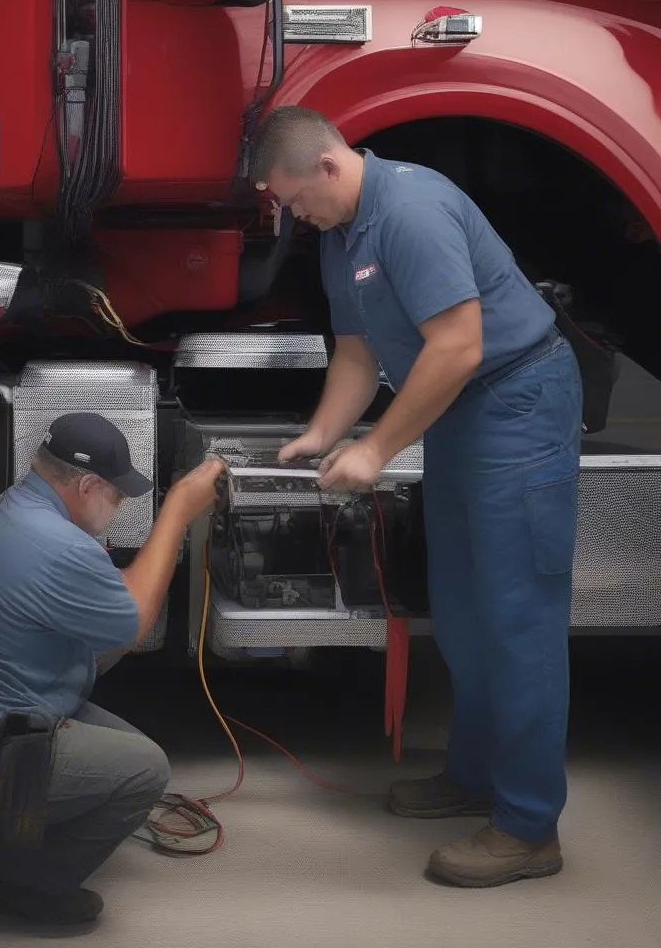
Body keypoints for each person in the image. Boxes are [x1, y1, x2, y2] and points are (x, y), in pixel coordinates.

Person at [249, 106, 583, 888]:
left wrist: (375, 450)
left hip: (515, 401)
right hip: (458, 413)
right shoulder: (341, 237)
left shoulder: (411, 209)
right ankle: (473, 779)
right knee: (464, 614)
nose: (299, 216)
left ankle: (530, 828)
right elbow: (359, 357)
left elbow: (460, 344)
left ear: (330, 165)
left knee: (517, 620)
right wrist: (322, 434)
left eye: (299, 200)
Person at [0, 411, 227, 925]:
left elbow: (111, 622)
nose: (119, 506)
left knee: (103, 673)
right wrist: (177, 513)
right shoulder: (57, 546)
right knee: (143, 768)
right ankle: (15, 883)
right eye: (117, 495)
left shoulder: (14, 508)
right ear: (88, 485)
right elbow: (133, 622)